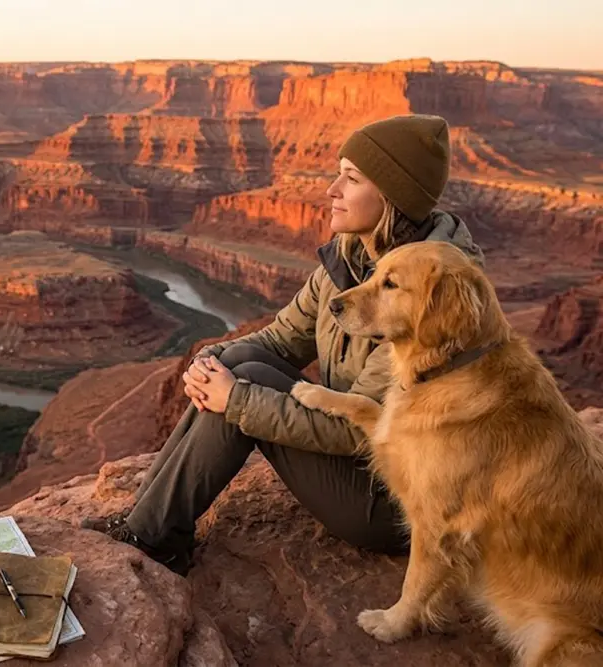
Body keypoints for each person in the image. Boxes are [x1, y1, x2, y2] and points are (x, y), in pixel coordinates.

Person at [81, 113, 486, 575]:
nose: (331, 190)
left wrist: (236, 400)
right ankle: (148, 521)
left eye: (350, 179)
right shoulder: (350, 259)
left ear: (392, 197)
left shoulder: (429, 297)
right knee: (238, 359)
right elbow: (278, 340)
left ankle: (151, 538)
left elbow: (360, 429)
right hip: (359, 462)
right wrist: (209, 358)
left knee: (244, 382)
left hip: (397, 501)